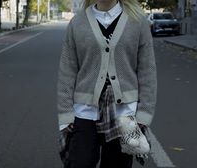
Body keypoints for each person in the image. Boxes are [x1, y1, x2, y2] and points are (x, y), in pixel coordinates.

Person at [57, 0, 157, 167]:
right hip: (84, 112)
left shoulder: (137, 21)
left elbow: (147, 71)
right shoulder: (77, 23)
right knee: (79, 162)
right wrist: (66, 114)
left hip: (124, 114)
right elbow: (67, 71)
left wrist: (144, 113)